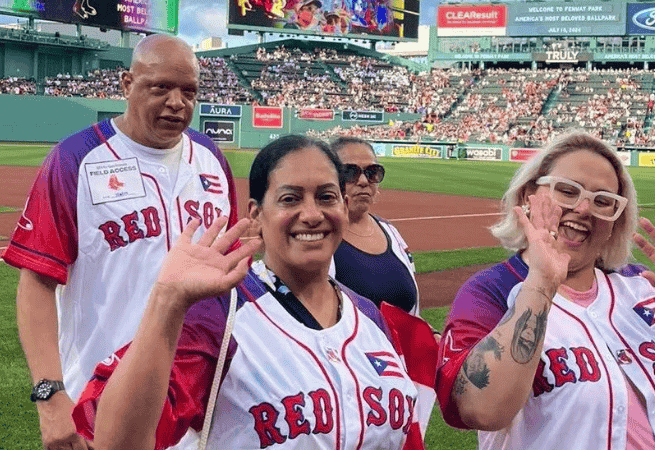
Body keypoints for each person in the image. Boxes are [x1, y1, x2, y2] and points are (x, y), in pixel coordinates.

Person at [72, 134, 433, 449]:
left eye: (326, 197)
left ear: (342, 205)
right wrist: (167, 301)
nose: (312, 214)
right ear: (256, 215)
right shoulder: (219, 315)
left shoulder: (370, 316)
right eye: (290, 199)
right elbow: (116, 442)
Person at [434, 129, 655, 450]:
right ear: (528, 197)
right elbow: (479, 408)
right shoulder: (490, 292)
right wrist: (542, 283)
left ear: (616, 221)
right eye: (567, 190)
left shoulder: (645, 289)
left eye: (603, 201)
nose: (584, 208)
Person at [3, 34, 238, 450]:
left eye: (189, 91)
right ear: (127, 84)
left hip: (195, 406)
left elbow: (232, 278)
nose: (177, 102)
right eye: (160, 87)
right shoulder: (76, 159)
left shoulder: (210, 158)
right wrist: (50, 396)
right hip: (98, 406)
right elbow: (37, 284)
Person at [329, 137, 419, 315]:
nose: (363, 181)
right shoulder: (317, 238)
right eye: (350, 172)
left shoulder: (389, 231)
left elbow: (412, 310)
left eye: (372, 172)